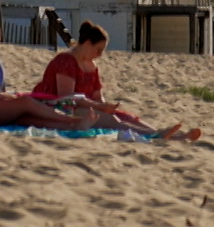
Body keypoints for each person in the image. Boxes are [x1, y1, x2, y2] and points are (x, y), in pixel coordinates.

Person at [32, 20, 202, 142]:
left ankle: (167, 134)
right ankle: (155, 135)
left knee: (127, 117)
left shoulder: (92, 66)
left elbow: (98, 96)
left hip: (83, 106)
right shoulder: (66, 61)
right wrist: (100, 107)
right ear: (88, 44)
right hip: (57, 107)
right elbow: (66, 98)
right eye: (98, 50)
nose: (100, 55)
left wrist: (106, 106)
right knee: (112, 120)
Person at [0, 20, 94, 130]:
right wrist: (14, 98)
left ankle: (71, 126)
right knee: (26, 103)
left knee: (25, 118)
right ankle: (70, 120)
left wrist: (11, 97)